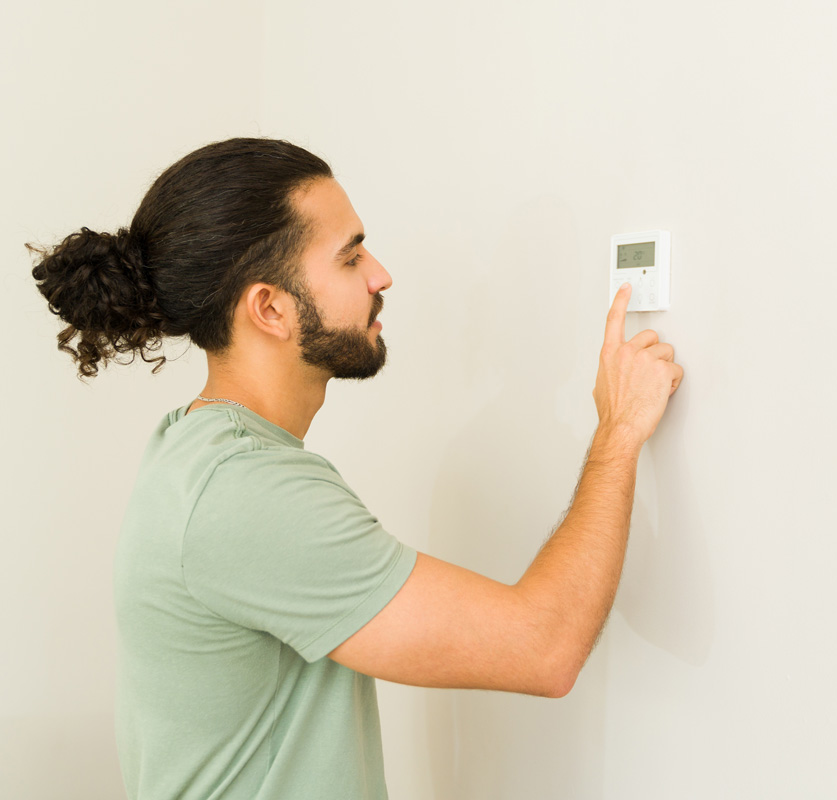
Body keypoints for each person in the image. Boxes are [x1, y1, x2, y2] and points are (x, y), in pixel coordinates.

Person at [27, 137, 683, 800]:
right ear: (270, 309)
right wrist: (618, 434)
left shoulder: (194, 452)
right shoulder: (247, 493)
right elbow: (544, 648)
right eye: (350, 256)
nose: (380, 275)